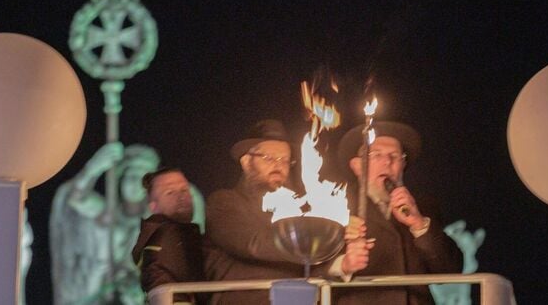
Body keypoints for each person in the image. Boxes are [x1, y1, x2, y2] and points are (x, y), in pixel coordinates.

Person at [330, 121, 462, 305]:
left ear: (403, 164)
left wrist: (419, 224)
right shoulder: (335, 205)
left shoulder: (422, 207)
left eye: (395, 156)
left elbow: (450, 271)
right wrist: (344, 265)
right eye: (376, 155)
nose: (387, 162)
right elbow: (310, 268)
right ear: (357, 166)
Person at [204, 119, 330, 304]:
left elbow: (315, 264)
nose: (278, 166)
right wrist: (316, 235)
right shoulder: (224, 202)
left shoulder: (300, 209)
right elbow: (254, 245)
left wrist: (338, 235)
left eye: (285, 160)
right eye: (269, 158)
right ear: (247, 162)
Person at [50, 142, 160, 305]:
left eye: (140, 179)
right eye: (130, 176)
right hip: (96, 294)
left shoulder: (155, 223)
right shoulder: (106, 213)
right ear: (121, 179)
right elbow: (76, 198)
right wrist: (94, 167)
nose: (133, 184)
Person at [132, 168, 207, 304]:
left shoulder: (180, 234)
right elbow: (161, 282)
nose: (181, 196)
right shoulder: (167, 236)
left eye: (184, 190)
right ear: (154, 207)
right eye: (170, 192)